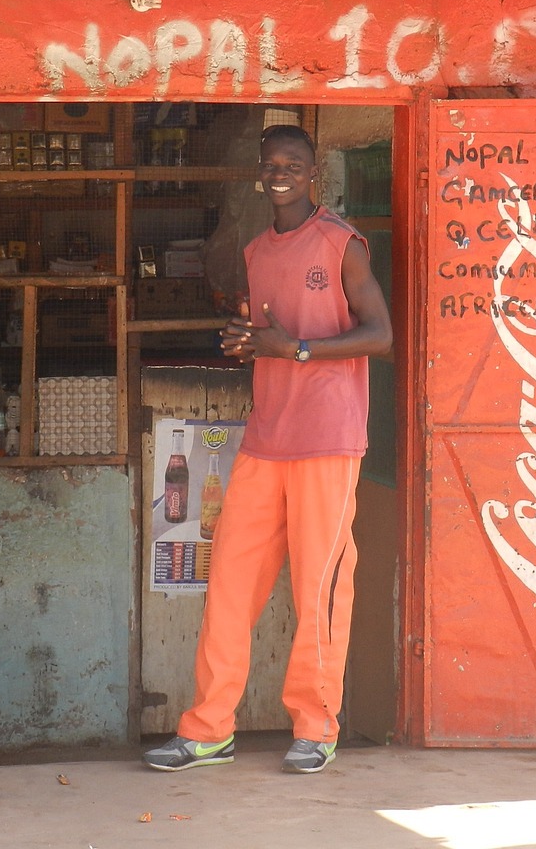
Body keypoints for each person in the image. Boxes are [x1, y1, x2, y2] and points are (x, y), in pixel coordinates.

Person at [143, 123, 393, 775]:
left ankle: (315, 727)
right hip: (266, 437)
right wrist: (247, 342)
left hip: (328, 441)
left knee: (320, 589)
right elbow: (270, 333)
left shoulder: (342, 243)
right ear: (260, 173)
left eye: (294, 163)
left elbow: (380, 334)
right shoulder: (256, 251)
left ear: (315, 174)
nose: (281, 172)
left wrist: (297, 350)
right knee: (228, 585)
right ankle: (207, 730)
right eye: (272, 163)